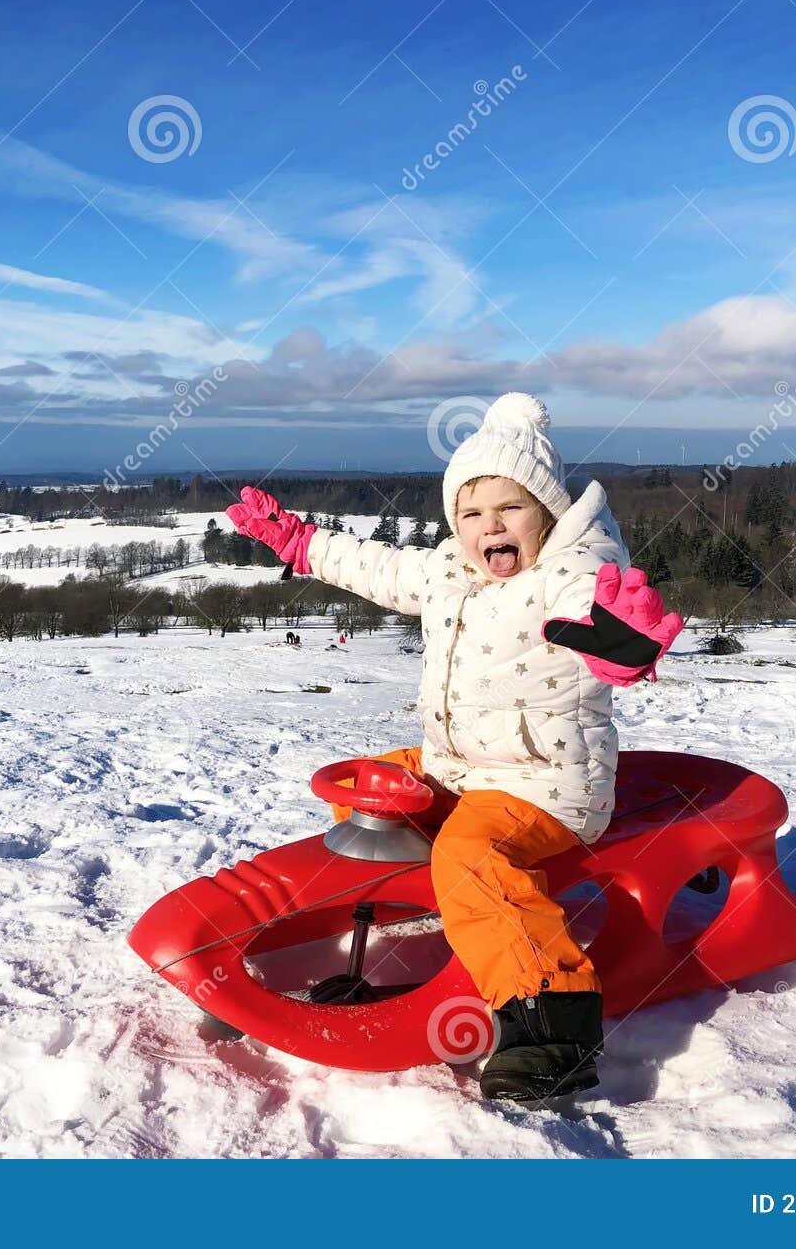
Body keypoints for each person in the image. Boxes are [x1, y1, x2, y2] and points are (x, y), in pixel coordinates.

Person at [228, 393, 682, 1105]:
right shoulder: (451, 571)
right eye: (472, 514)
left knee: (470, 855)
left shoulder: (566, 572)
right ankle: (336, 903)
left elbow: (584, 607)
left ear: (548, 514)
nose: (489, 527)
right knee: (376, 782)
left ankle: (550, 1021)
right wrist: (299, 541)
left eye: (512, 509)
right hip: (460, 765)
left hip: (546, 785)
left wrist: (615, 640)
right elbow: (377, 567)